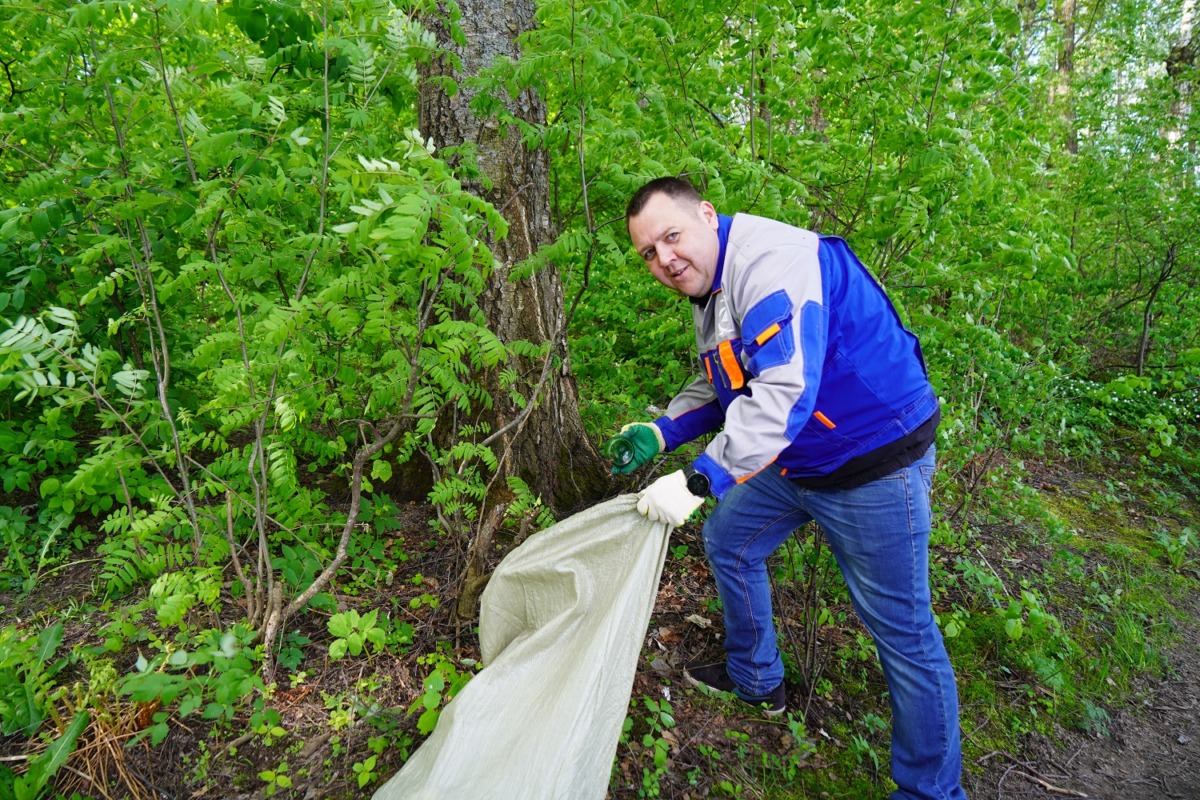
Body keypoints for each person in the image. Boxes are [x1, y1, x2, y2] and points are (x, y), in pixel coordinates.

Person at [611, 177, 967, 800]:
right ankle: (756, 678)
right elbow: (728, 380)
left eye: (671, 236)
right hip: (797, 455)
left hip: (873, 458)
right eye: (649, 252)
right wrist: (662, 430)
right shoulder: (712, 284)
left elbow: (782, 392)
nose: (664, 259)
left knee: (903, 632)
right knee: (730, 541)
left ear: (707, 215)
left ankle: (931, 791)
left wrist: (699, 479)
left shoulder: (770, 264)